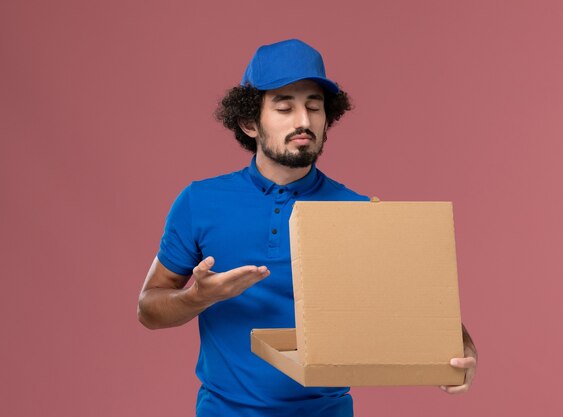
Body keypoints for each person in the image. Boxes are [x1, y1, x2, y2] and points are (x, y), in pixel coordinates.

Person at [137, 38, 478, 417]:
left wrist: (464, 350)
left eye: (314, 107)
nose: (303, 121)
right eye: (284, 107)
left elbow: (423, 313)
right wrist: (197, 297)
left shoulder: (357, 211)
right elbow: (148, 308)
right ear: (250, 122)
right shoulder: (199, 202)